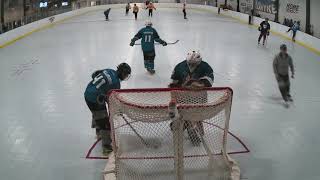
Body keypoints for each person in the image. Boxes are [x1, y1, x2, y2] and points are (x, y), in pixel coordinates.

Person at [84, 63, 131, 155]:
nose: (126, 77)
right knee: (104, 121)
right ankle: (106, 147)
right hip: (94, 99)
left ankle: (98, 133)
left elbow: (95, 74)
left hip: (87, 93)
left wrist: (101, 91)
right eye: (126, 74)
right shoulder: (116, 84)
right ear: (122, 73)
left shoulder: (109, 70)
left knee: (98, 114)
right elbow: (112, 101)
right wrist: (118, 109)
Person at [169, 51, 214, 146]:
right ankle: (185, 125)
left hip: (199, 97)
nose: (192, 65)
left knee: (196, 115)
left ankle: (195, 129)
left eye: (194, 64)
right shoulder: (180, 66)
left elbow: (209, 81)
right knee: (181, 118)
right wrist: (173, 97)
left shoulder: (205, 66)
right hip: (182, 97)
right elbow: (173, 83)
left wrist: (200, 84)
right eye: (190, 63)